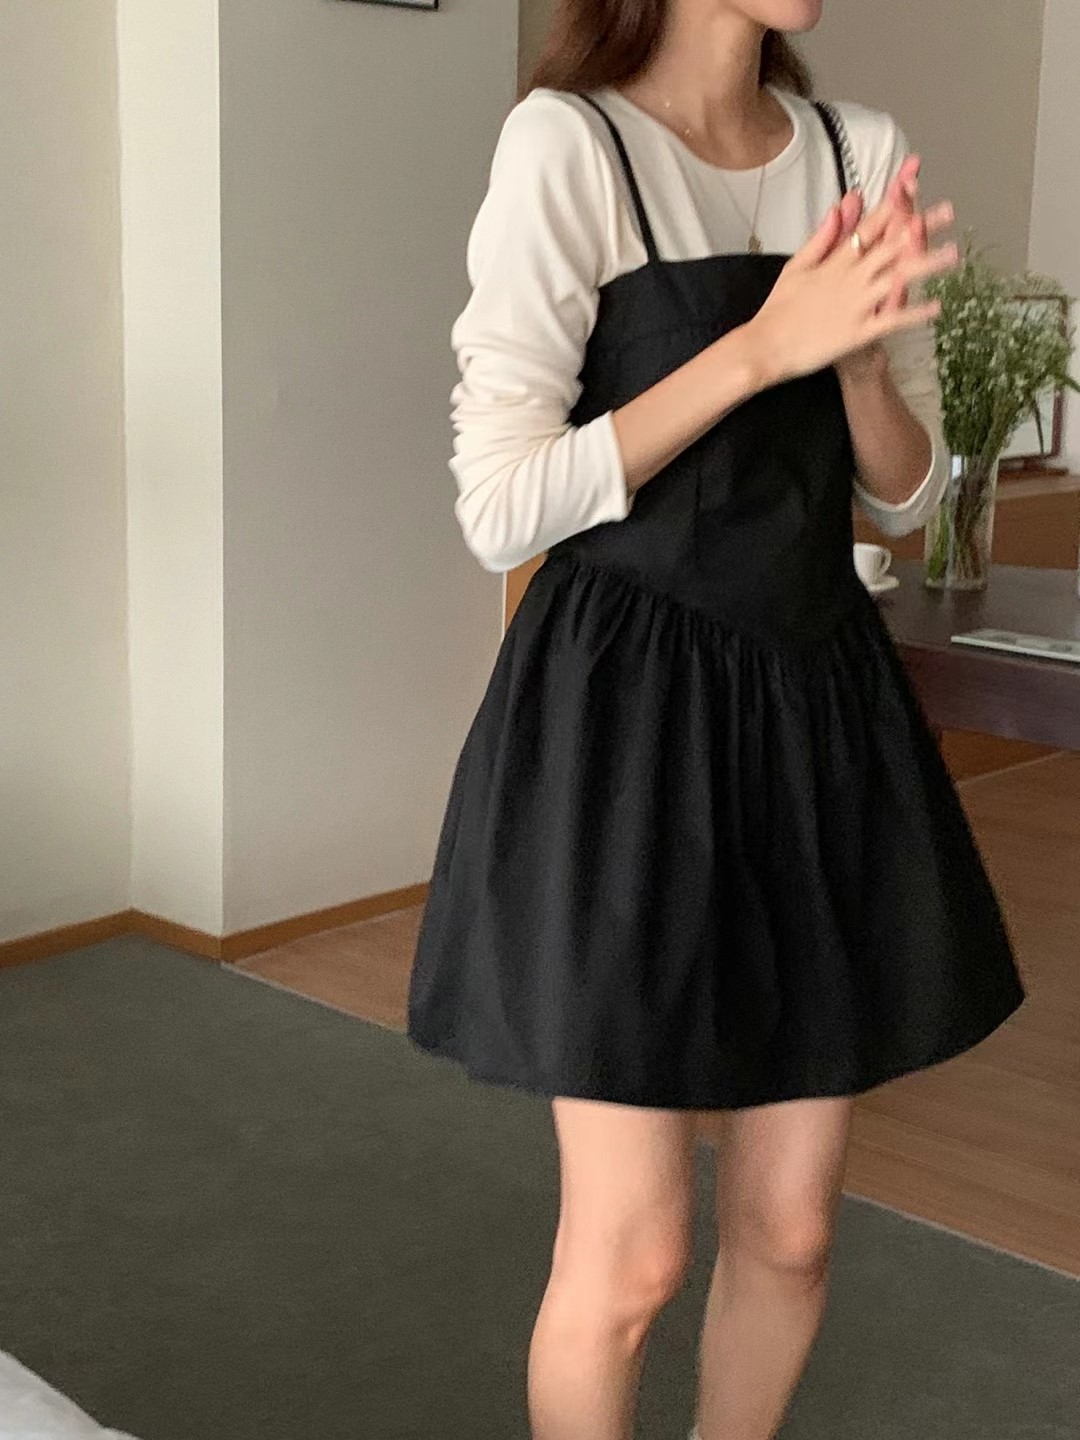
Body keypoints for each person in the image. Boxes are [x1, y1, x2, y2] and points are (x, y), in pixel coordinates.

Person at [407, 2, 1026, 1436]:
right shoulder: (570, 145)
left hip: (817, 711)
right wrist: (760, 348)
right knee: (632, 1258)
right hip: (622, 723)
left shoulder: (858, 148)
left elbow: (907, 498)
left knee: (791, 1233)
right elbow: (500, 504)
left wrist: (856, 365)